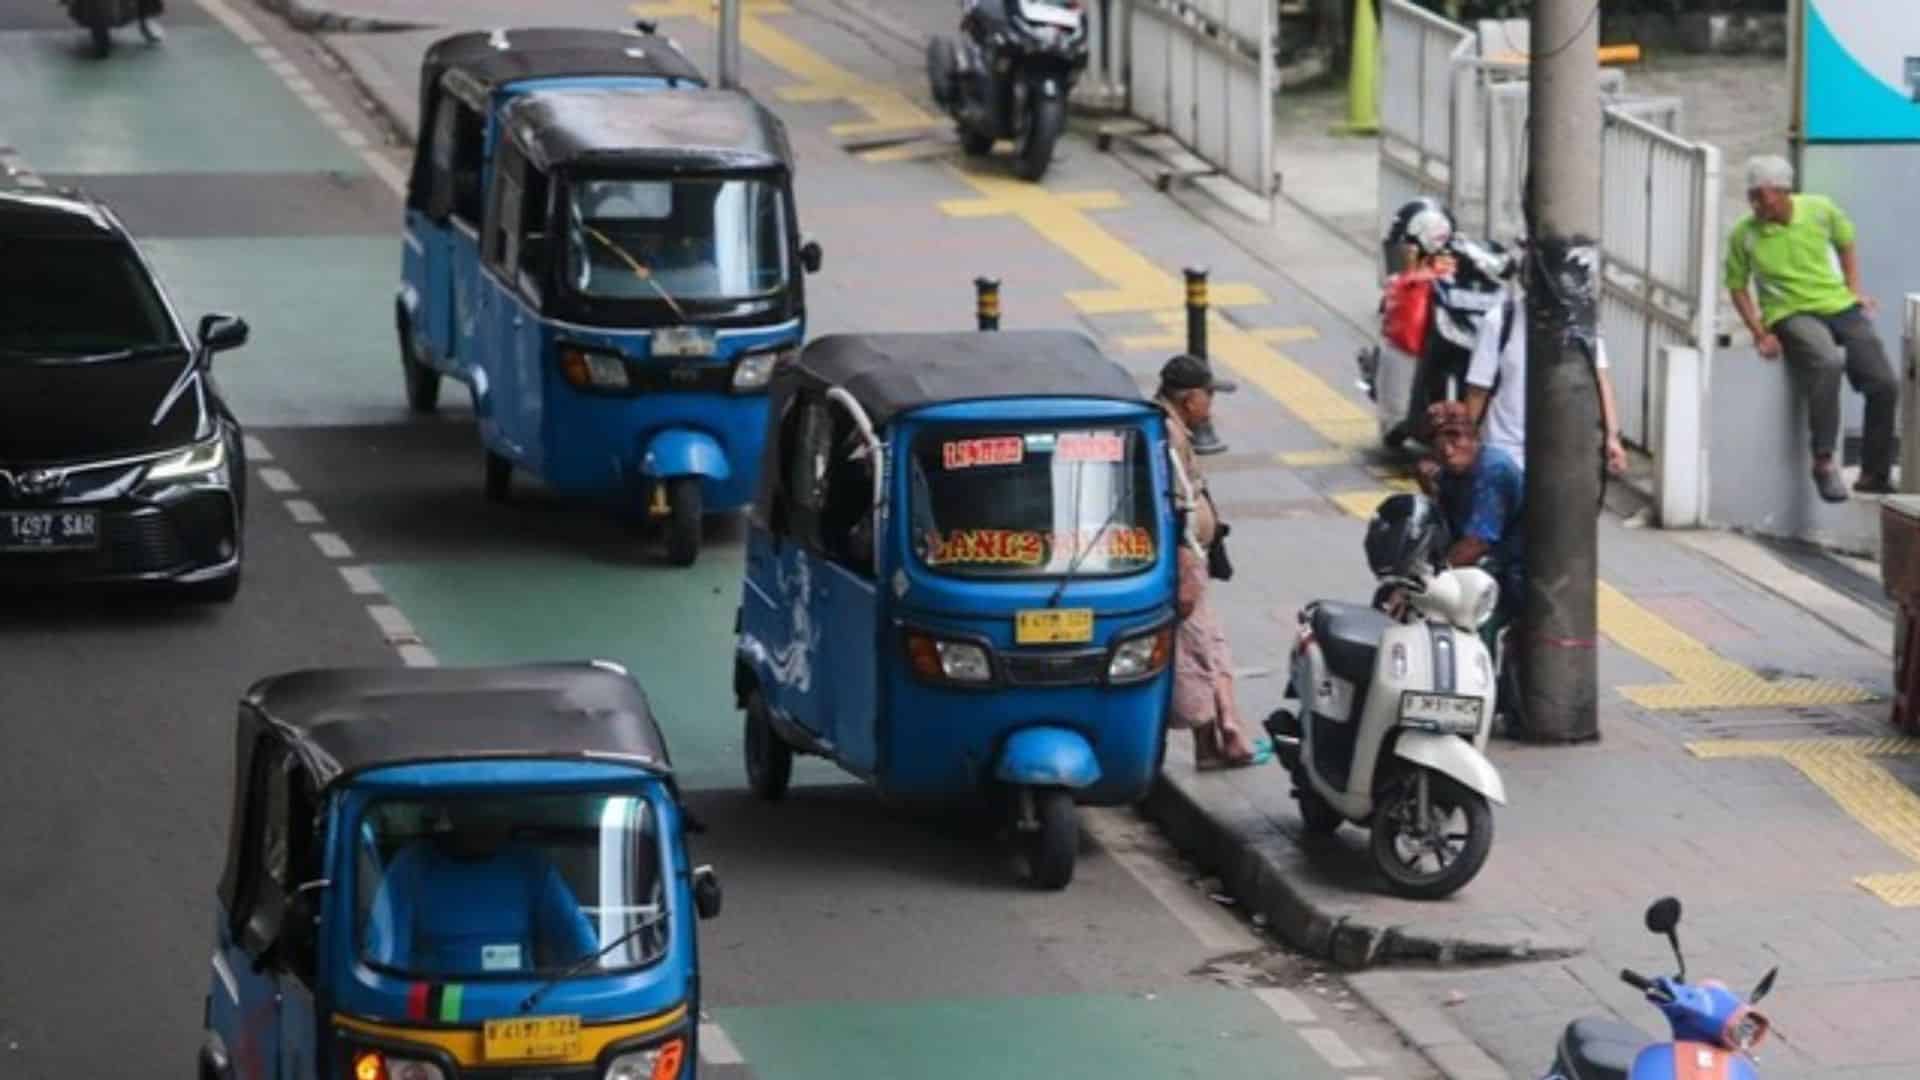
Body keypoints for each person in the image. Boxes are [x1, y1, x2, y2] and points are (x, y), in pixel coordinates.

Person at [1724, 155, 1896, 502]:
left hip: (1837, 304)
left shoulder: (1819, 210)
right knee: (1828, 361)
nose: (1756, 203)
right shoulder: (1745, 234)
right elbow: (1737, 286)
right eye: (1752, 196)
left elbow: (1845, 240)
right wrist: (1760, 332)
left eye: (1762, 195)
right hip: (1790, 312)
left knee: (1884, 382)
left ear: (1783, 192)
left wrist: (1852, 289)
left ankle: (1873, 473)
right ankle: (1823, 460)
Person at [1155, 354, 1270, 770]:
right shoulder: (1167, 435)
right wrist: (1188, 563)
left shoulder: (1176, 430)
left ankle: (1221, 734)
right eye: (1208, 396)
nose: (1212, 406)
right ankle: (1224, 734)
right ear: (1189, 400)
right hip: (1184, 563)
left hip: (1195, 559)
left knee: (1209, 645)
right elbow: (1179, 502)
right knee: (1201, 648)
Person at [364, 804, 600, 975]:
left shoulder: (529, 863)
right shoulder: (412, 865)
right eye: (477, 809)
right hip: (433, 1013)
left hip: (520, 1009)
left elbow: (580, 945)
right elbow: (385, 963)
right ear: (453, 810)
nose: (488, 820)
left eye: (497, 810)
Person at [1465, 280, 1628, 477]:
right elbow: (1478, 390)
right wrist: (1467, 443)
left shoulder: (1583, 325)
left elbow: (1601, 380)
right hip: (1503, 454)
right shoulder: (1499, 320)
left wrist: (1612, 437)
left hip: (1562, 457)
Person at [1416, 401, 1526, 638]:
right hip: (1482, 565)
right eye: (1439, 440)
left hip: (1511, 572)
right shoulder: (1450, 471)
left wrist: (1430, 579)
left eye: (1455, 438)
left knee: (1474, 623)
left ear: (1474, 437)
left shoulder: (1492, 471)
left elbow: (1476, 543)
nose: (1448, 449)